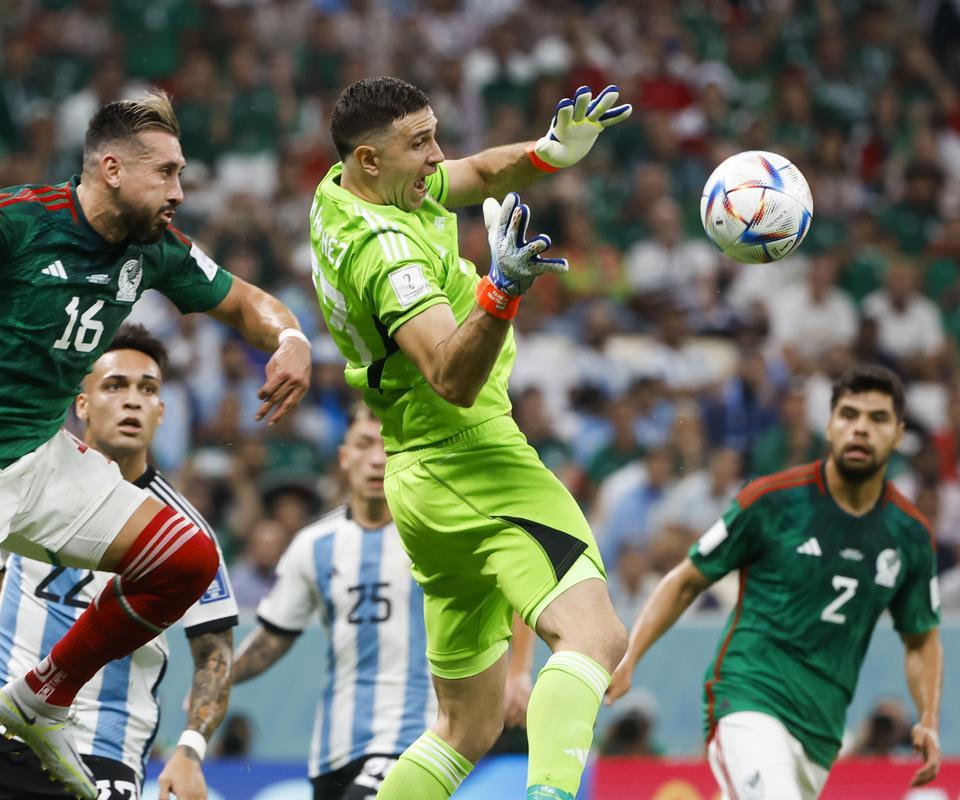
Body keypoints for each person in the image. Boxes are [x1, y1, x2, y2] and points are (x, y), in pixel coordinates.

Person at [0, 91, 311, 800]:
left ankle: (42, 696)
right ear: (110, 169)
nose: (180, 191)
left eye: (180, 173)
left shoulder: (152, 249)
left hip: (36, 457)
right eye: (165, 173)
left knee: (184, 561)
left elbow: (244, 301)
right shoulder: (18, 220)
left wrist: (290, 339)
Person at [308, 76, 632, 800]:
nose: (437, 155)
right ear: (369, 159)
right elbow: (451, 377)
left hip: (419, 478)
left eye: (433, 134)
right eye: (419, 144)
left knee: (467, 726)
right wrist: (501, 292)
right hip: (473, 457)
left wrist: (549, 153)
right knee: (596, 636)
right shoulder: (384, 252)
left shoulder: (351, 188)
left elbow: (479, 172)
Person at [0, 324, 237, 799]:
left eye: (148, 389)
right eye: (115, 385)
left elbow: (214, 651)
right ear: (81, 404)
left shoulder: (187, 534)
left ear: (161, 412)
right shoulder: (30, 481)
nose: (133, 400)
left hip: (101, 747)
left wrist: (190, 747)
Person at [607, 365, 942, 799]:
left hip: (820, 731)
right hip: (749, 696)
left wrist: (929, 717)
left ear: (898, 434)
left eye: (877, 419)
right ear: (829, 426)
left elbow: (921, 639)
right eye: (849, 415)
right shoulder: (771, 500)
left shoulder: (909, 535)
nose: (861, 429)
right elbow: (687, 579)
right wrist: (631, 655)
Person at [231, 404, 436, 800]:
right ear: (344, 458)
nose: (377, 458)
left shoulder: (434, 536)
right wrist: (218, 680)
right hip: (333, 748)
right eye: (364, 445)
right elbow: (273, 637)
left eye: (389, 446)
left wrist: (516, 673)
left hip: (411, 735)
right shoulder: (314, 544)